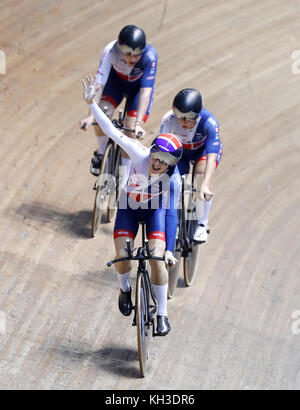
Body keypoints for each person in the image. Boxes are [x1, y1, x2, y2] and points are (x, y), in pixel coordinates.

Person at [81, 75, 182, 336]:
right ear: (152, 150)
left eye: (165, 161)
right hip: (128, 208)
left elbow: (171, 214)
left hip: (154, 214)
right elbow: (112, 131)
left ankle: (162, 314)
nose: (157, 163)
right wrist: (92, 104)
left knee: (157, 260)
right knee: (123, 258)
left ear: (172, 165)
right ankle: (125, 289)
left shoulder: (172, 180)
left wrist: (169, 249)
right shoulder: (139, 152)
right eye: (157, 155)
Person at [80, 25, 158, 181]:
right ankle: (102, 153)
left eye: (137, 55)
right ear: (120, 48)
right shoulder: (110, 50)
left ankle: (124, 177)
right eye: (128, 54)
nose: (133, 59)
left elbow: (145, 92)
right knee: (101, 116)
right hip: (115, 84)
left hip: (137, 90)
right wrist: (91, 115)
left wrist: (138, 123)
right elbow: (100, 83)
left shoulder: (150, 56)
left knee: (130, 132)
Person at [159, 88, 222, 243]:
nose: (183, 122)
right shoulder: (168, 119)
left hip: (203, 152)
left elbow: (212, 153)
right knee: (173, 183)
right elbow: (161, 149)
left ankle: (202, 223)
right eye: (179, 117)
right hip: (182, 153)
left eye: (188, 118)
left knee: (200, 175)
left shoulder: (209, 122)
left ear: (198, 114)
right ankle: (176, 222)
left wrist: (205, 185)